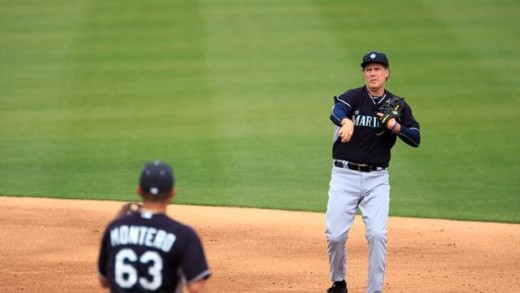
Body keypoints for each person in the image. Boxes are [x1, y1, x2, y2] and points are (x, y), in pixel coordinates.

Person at [325, 51, 421, 293]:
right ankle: (339, 282)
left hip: (377, 180)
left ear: (387, 73)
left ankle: (374, 290)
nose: (373, 73)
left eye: (378, 69)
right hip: (344, 176)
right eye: (368, 69)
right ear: (364, 73)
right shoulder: (354, 97)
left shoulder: (397, 105)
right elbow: (336, 111)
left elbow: (416, 138)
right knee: (335, 236)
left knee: (377, 235)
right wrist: (345, 121)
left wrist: (395, 126)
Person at [97, 161, 211, 293]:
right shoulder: (183, 234)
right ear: (172, 193)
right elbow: (196, 287)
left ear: (139, 191)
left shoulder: (115, 228)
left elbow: (103, 280)